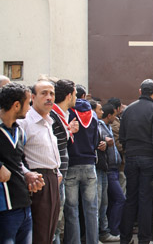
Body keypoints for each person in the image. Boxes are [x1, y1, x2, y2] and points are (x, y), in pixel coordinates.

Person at [119, 79, 153, 244]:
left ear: (140, 91)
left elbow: (122, 138)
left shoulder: (127, 111)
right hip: (149, 159)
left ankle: (125, 238)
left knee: (130, 199)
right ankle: (145, 239)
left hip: (131, 158)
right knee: (146, 200)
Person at [17, 80, 62, 244]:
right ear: (33, 97)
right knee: (39, 233)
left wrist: (58, 173)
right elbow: (14, 156)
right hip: (36, 181)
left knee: (49, 232)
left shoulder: (48, 121)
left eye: (52, 94)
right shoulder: (25, 122)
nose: (49, 97)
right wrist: (26, 174)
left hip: (52, 179)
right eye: (44, 93)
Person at [0, 82, 44, 243]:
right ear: (17, 105)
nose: (29, 108)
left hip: (23, 206)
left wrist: (28, 174)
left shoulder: (19, 131)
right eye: (28, 103)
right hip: (4, 209)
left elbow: (19, 161)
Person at [64, 85, 102, 244]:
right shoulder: (92, 115)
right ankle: (93, 240)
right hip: (89, 164)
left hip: (72, 164)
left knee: (72, 210)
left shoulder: (68, 114)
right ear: (84, 96)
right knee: (92, 209)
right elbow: (96, 140)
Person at [50, 79, 79, 244]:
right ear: (69, 96)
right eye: (75, 94)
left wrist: (68, 132)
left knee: (58, 219)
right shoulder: (53, 116)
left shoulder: (61, 115)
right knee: (55, 220)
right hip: (55, 174)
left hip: (60, 173)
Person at [98, 103, 125, 241]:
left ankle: (111, 229)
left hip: (113, 168)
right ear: (109, 115)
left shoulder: (108, 127)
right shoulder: (100, 126)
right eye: (114, 115)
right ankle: (112, 230)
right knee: (119, 199)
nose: (116, 117)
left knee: (109, 201)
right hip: (108, 170)